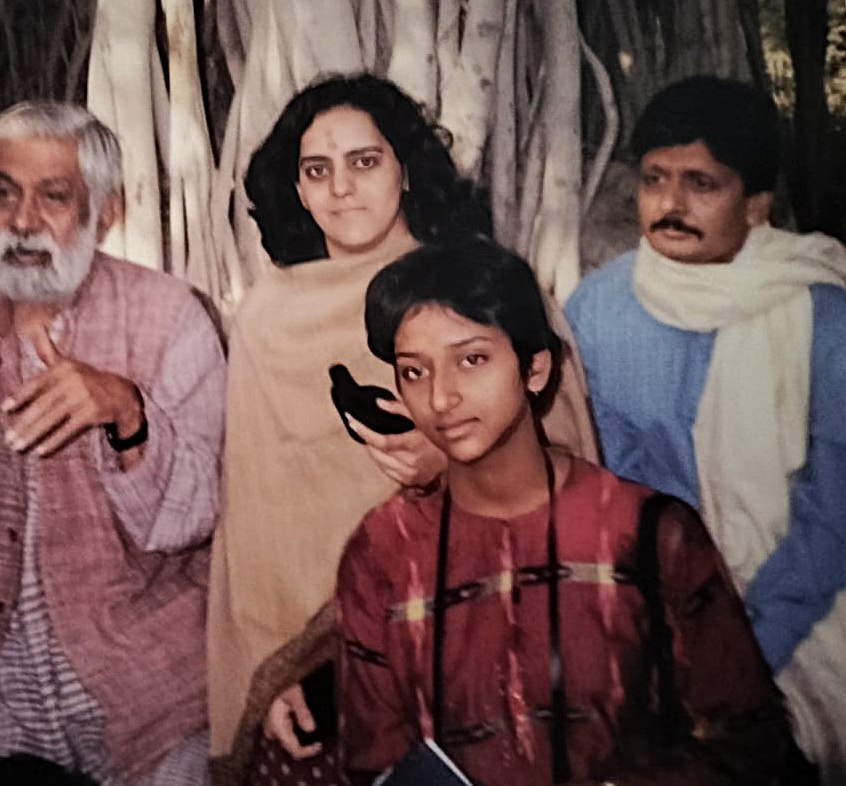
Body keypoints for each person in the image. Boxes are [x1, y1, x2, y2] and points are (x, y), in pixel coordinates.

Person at [207, 72, 598, 785]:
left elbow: (569, 454)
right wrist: (274, 668)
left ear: (406, 169)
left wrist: (457, 465)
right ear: (294, 188)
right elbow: (255, 521)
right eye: (316, 170)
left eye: (365, 161)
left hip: (496, 615)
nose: (342, 188)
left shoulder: (482, 283)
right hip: (319, 653)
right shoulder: (266, 317)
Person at [338, 235, 807, 786]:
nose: (441, 398)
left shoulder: (649, 533)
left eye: (472, 359)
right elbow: (373, 763)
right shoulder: (383, 553)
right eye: (414, 371)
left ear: (535, 369)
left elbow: (752, 741)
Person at [0, 102, 226, 786]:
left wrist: (126, 410)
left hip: (143, 676)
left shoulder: (172, 317)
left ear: (108, 211)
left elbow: (190, 520)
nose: (23, 221)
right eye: (5, 194)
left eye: (53, 197)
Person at [564, 75, 846, 784]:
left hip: (796, 611)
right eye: (655, 179)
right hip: (638, 604)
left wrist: (742, 646)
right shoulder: (596, 309)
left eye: (701, 183)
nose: (672, 204)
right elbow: (592, 481)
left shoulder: (822, 317)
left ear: (756, 206)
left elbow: (831, 522)